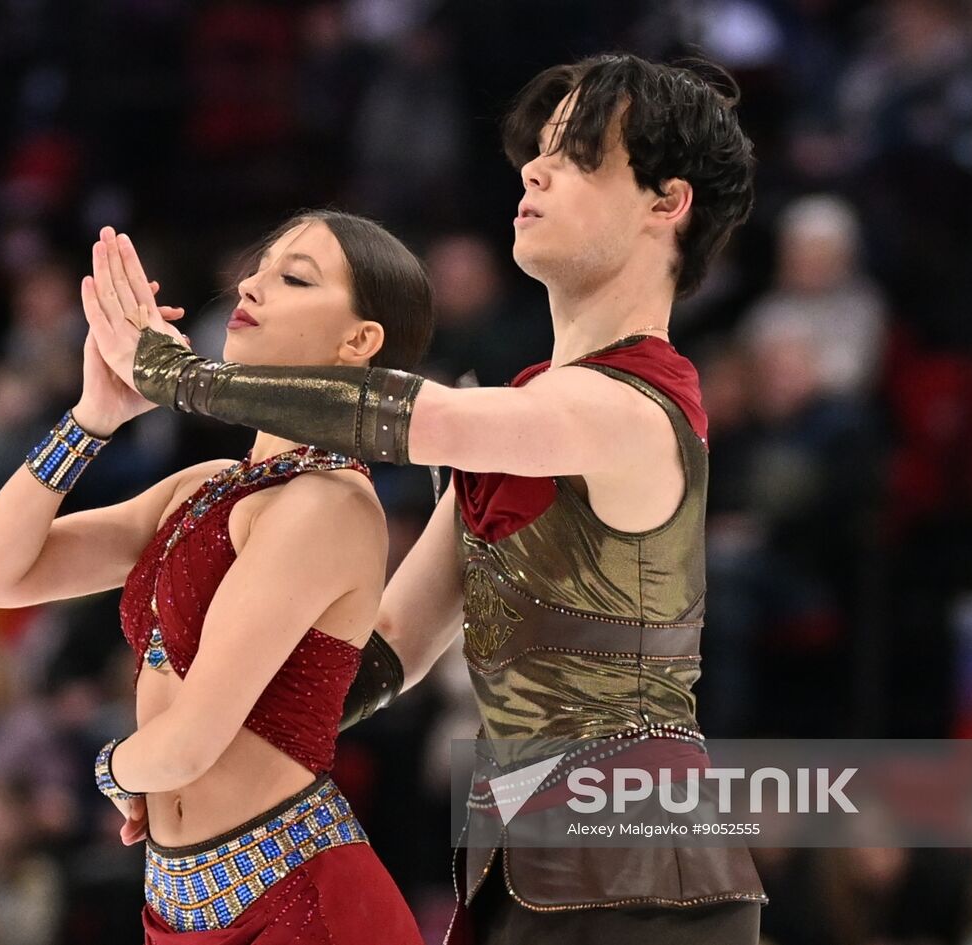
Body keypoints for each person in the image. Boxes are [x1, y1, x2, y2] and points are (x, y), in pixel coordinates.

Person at [88, 52, 768, 943]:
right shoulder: (527, 412)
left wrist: (177, 375)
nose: (533, 169)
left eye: (577, 157)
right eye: (539, 153)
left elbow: (421, 419)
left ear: (665, 203)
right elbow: (389, 653)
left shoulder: (631, 405)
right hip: (532, 862)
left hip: (642, 861)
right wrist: (203, 762)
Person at [0, 210, 431, 943]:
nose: (251, 283)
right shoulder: (205, 485)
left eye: (294, 277)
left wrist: (115, 771)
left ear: (359, 340)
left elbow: (190, 742)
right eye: (260, 266)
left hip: (301, 900)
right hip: (178, 902)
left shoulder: (328, 504)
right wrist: (92, 417)